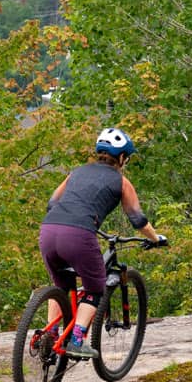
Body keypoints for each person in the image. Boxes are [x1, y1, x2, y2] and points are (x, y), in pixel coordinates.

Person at [39, 126, 166, 359]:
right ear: (121, 157)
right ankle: (76, 340)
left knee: (63, 287)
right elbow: (138, 219)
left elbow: (51, 203)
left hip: (48, 231)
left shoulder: (75, 172)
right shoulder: (121, 181)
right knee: (95, 288)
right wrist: (156, 239)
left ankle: (51, 335)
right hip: (78, 235)